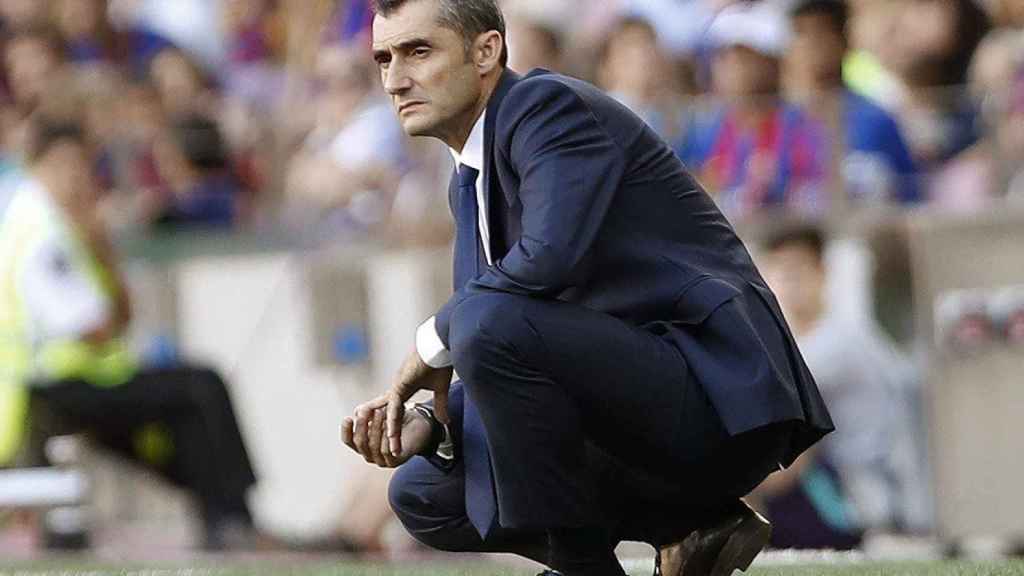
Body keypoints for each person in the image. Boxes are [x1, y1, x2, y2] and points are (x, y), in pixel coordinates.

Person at [340, 1, 833, 575]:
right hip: (624, 409)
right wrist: (431, 429)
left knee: (478, 323)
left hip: (714, 394)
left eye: (418, 51)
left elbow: (543, 262)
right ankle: (690, 525)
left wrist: (429, 342)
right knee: (422, 493)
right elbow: (500, 351)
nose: (396, 78)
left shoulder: (544, 107)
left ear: (486, 52)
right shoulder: (468, 180)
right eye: (383, 58)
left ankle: (585, 564)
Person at [0, 112, 258, 550]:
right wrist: (101, 250)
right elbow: (96, 327)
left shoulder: (46, 220)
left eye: (83, 165)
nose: (79, 178)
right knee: (200, 387)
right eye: (69, 165)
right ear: (42, 164)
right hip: (56, 384)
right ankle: (232, 519)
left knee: (184, 408)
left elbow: (117, 318)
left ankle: (227, 523)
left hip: (71, 381)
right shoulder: (43, 229)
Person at [754, 223, 927, 540]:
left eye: (797, 270)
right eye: (778, 271)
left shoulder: (838, 343)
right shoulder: (801, 342)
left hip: (865, 503)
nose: (788, 282)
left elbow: (790, 463)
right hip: (849, 488)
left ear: (822, 272)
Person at [674, 3, 830, 220]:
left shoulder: (798, 124)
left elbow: (816, 190)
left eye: (745, 56)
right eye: (724, 57)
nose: (733, 67)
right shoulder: (703, 127)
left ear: (770, 62)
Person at [785, 0, 921, 207]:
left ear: (844, 41)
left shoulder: (876, 118)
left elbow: (909, 192)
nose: (811, 44)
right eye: (801, 34)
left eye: (821, 32)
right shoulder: (783, 123)